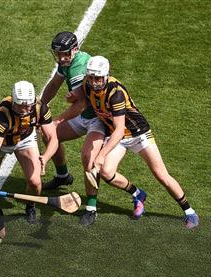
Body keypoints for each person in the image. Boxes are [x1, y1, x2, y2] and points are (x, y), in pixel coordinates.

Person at [56, 56, 199, 228]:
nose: (94, 82)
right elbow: (80, 103)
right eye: (92, 78)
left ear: (107, 76)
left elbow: (118, 130)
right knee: (107, 173)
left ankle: (189, 211)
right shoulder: (88, 84)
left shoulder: (115, 93)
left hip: (138, 134)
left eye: (98, 78)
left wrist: (101, 154)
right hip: (119, 137)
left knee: (161, 175)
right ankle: (137, 193)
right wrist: (63, 113)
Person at [40, 31, 107, 226]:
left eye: (64, 54)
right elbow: (53, 85)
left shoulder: (78, 68)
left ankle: (91, 207)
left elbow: (81, 105)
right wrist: (41, 107)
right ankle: (63, 176)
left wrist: (57, 120)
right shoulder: (67, 63)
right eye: (58, 54)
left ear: (75, 49)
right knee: (48, 133)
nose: (61, 58)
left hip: (97, 119)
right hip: (83, 116)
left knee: (88, 158)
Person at [0, 80, 58, 224]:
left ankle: (30, 206)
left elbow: (53, 138)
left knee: (35, 182)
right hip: (2, 142)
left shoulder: (40, 108)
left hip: (24, 140)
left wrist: (45, 157)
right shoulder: (3, 114)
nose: (24, 110)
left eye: (27, 106)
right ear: (13, 101)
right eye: (20, 106)